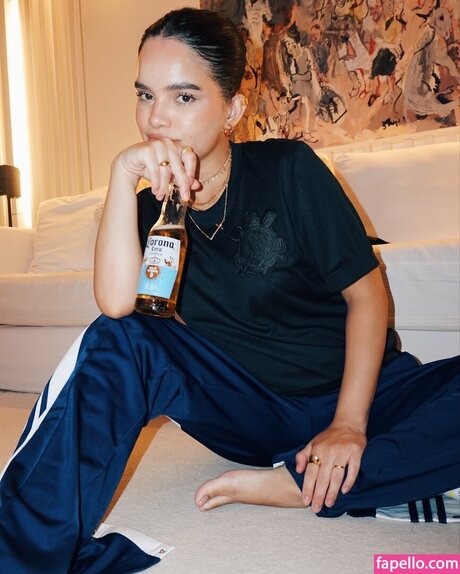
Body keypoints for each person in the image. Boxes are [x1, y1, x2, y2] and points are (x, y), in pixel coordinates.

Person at [0, 7, 459, 574]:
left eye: (183, 97)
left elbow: (366, 297)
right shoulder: (145, 208)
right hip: (252, 409)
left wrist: (348, 424)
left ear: (233, 110)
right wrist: (121, 175)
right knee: (119, 339)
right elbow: (118, 310)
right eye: (145, 95)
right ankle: (19, 551)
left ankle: (299, 482)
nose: (156, 118)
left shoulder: (289, 169)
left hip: (367, 396)